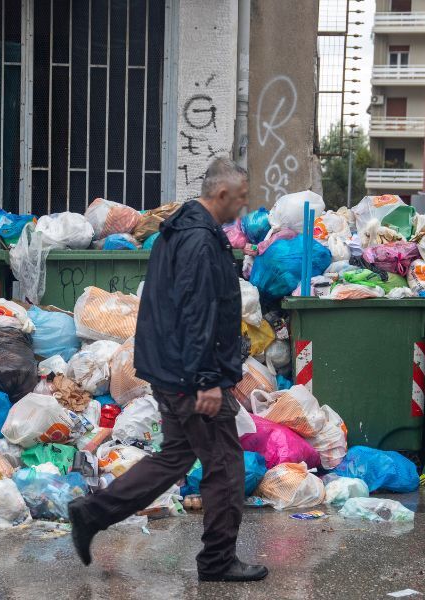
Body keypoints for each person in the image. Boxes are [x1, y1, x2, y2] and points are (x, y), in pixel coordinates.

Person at [68, 158, 267, 583]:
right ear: (222, 195)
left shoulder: (178, 233)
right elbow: (196, 315)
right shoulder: (197, 241)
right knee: (225, 467)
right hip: (190, 377)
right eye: (242, 198)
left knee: (175, 458)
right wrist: (208, 381)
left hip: (168, 370)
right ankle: (217, 561)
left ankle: (91, 513)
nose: (245, 207)